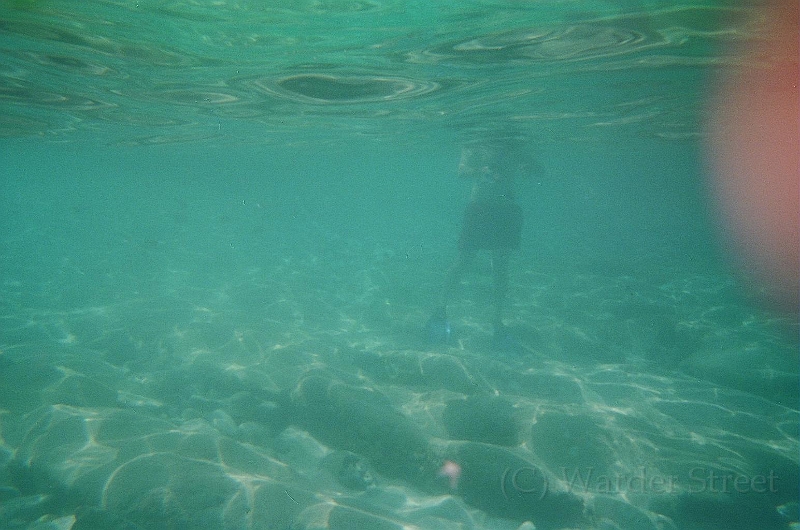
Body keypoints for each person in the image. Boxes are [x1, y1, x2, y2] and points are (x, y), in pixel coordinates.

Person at [428, 135, 534, 345]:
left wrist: (530, 167)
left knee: (501, 266)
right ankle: (440, 309)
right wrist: (481, 172)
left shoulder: (516, 144)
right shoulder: (475, 143)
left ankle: (497, 321)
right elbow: (462, 172)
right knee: (463, 260)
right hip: (479, 208)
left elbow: (537, 169)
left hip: (506, 210)